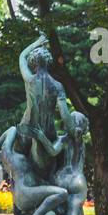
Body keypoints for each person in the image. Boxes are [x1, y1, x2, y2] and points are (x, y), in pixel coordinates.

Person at [16, 35, 72, 178]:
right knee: (63, 156)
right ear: (49, 62)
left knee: (17, 157)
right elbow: (66, 117)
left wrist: (36, 43)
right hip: (50, 135)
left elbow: (22, 57)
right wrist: (73, 130)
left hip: (28, 131)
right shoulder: (58, 86)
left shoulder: (29, 79)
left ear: (33, 63)